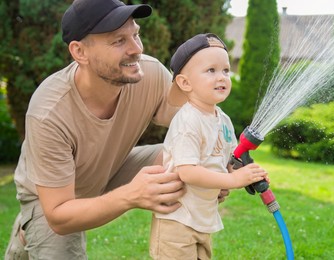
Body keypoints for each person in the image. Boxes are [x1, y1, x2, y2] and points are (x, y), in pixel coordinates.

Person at [3, 0, 199, 258]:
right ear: (79, 52)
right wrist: (132, 195)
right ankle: (29, 229)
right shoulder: (49, 113)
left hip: (110, 167)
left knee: (183, 156)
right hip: (52, 198)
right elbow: (60, 216)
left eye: (136, 34)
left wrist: (217, 163)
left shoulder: (148, 73)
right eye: (118, 41)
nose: (136, 49)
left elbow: (195, 123)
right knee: (58, 237)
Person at [149, 33, 270, 260]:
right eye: (211, 71)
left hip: (202, 218)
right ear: (185, 83)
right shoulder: (188, 121)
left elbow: (229, 161)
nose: (222, 77)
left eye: (225, 70)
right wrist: (232, 180)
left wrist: (244, 173)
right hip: (176, 219)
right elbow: (187, 172)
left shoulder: (222, 119)